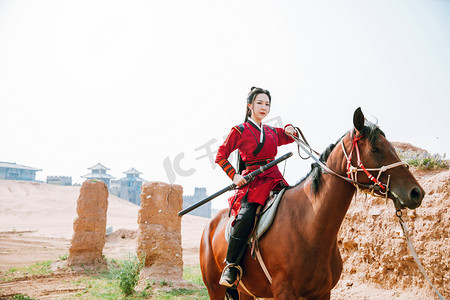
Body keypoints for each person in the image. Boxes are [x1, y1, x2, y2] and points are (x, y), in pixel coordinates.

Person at [215, 86, 297, 287]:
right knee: (246, 217)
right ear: (250, 105)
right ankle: (232, 266)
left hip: (275, 179)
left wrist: (289, 128)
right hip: (253, 182)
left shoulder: (270, 131)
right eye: (259, 103)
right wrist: (234, 176)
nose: (264, 107)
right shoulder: (239, 130)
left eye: (267, 104)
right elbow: (220, 155)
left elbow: (288, 135)